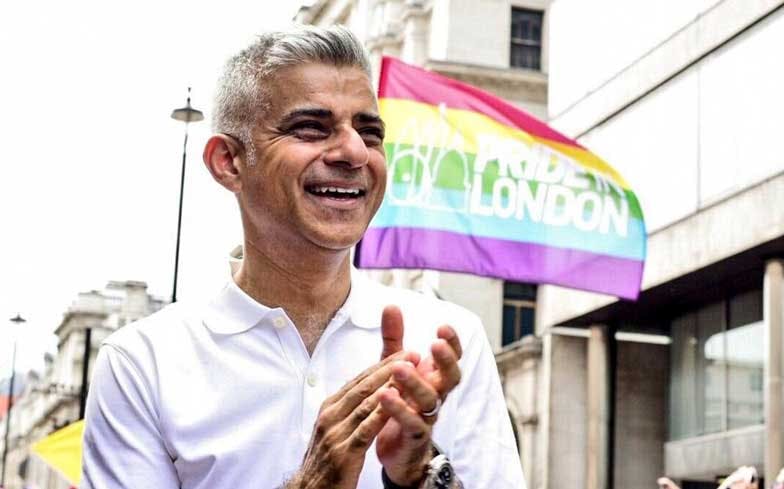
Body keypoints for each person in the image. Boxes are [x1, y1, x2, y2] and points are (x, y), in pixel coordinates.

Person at [80, 25, 524, 489]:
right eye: (311, 128)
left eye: (370, 133)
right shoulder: (142, 363)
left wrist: (417, 474)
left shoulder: (445, 343)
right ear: (229, 162)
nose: (354, 152)